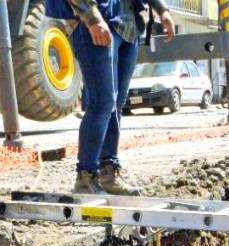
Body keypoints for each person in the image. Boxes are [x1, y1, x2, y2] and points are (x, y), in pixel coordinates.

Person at [49, 0, 175, 195]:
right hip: (95, 24)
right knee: (102, 103)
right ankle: (86, 177)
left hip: (129, 27)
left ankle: (108, 172)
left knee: (115, 105)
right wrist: (92, 19)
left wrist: (162, 10)